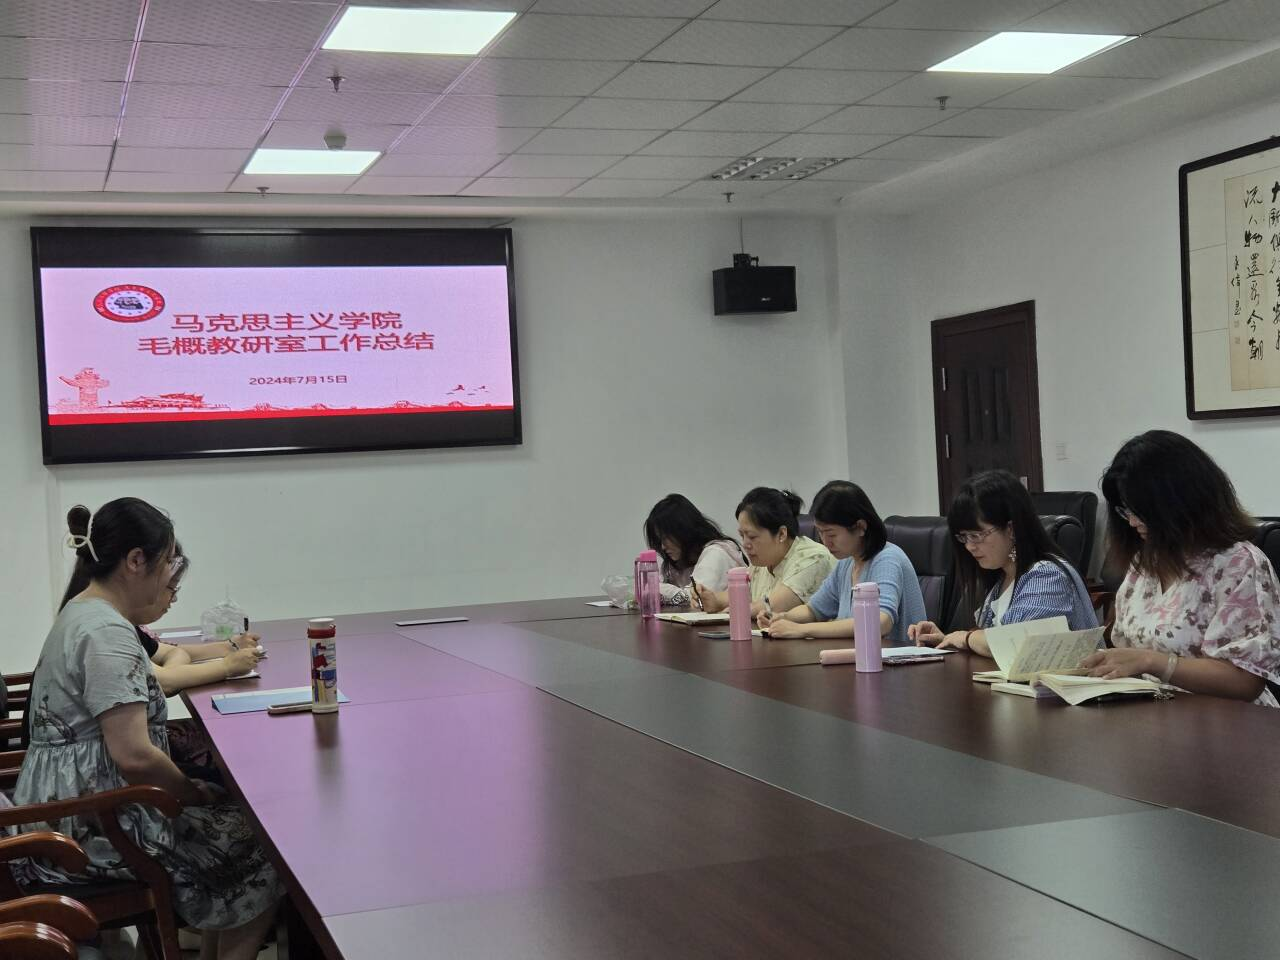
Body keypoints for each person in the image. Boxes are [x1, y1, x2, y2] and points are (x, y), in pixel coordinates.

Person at [14, 499, 280, 960]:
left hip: (70, 811)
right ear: (136, 560)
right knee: (268, 842)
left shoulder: (85, 612)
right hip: (91, 829)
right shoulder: (105, 633)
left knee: (236, 822)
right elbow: (134, 756)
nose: (170, 576)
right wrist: (189, 793)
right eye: (168, 562)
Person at [1081, 430, 1280, 705]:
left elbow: (1246, 682)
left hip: (1230, 720)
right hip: (1152, 713)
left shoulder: (1238, 563)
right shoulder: (1143, 564)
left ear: (1180, 503)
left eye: (1141, 511)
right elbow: (1127, 652)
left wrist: (1152, 662)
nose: (1133, 522)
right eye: (1125, 510)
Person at [910, 470, 1096, 655]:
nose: (969, 546)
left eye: (976, 535)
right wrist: (947, 640)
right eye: (964, 537)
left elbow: (1017, 645)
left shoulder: (1047, 575)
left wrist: (966, 638)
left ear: (1011, 529)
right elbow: (992, 646)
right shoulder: (1001, 578)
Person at [761, 481, 926, 644]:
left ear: (860, 527)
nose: (825, 542)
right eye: (820, 532)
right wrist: (783, 617)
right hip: (857, 655)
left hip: (895, 658)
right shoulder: (847, 562)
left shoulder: (887, 559)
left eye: (831, 534)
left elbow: (879, 623)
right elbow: (814, 610)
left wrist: (801, 630)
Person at [697, 487, 835, 618]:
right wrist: (712, 599)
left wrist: (736, 611)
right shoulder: (763, 560)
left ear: (781, 534)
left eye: (752, 537)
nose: (745, 544)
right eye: (742, 535)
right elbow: (742, 595)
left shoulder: (813, 558)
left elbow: (773, 605)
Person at [643, 494, 745, 605]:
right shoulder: (679, 561)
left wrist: (655, 589)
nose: (663, 547)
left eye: (665, 538)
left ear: (683, 530)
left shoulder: (716, 553)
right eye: (660, 540)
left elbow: (697, 599)